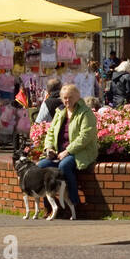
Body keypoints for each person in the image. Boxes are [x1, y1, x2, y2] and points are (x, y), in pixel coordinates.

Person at [38, 85, 99, 216]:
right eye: (65, 98)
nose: (67, 101)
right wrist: (49, 148)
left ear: (77, 97)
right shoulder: (60, 112)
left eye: (70, 97)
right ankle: (49, 206)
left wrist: (68, 151)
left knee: (64, 166)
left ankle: (73, 203)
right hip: (59, 152)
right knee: (42, 166)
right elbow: (51, 132)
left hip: (79, 151)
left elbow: (86, 136)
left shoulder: (85, 112)